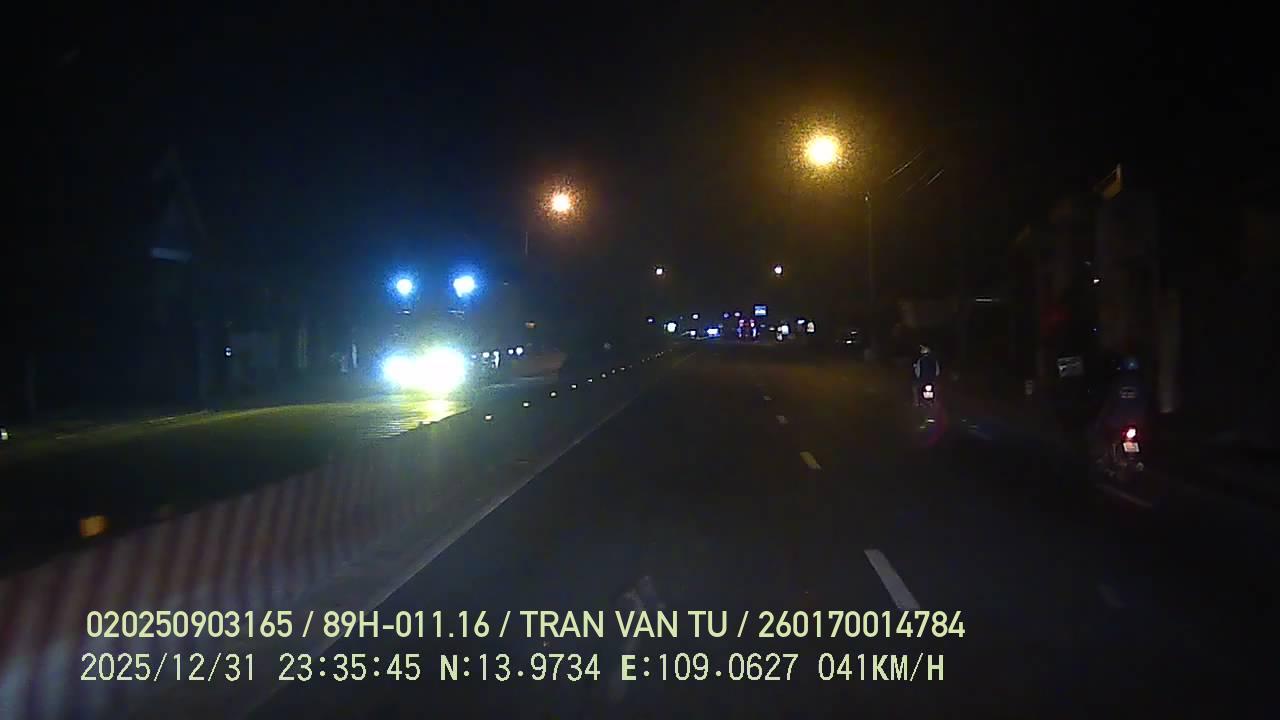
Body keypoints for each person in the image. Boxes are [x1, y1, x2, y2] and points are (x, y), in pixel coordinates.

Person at [1088, 355, 1148, 462]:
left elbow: (1109, 402)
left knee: (1109, 436)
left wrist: (1100, 419)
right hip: (1137, 421)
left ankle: (1112, 456)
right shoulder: (1142, 383)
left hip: (1118, 421)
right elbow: (1145, 402)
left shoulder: (1118, 382)